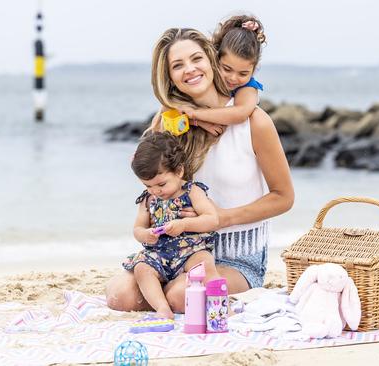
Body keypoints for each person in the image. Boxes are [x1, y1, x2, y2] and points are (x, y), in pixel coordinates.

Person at [106, 27, 294, 313]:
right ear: (169, 77)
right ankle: (171, 288)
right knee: (120, 296)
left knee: (183, 295)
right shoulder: (170, 123)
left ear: (211, 59)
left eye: (196, 59)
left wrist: (220, 218)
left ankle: (177, 293)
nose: (190, 70)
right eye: (177, 65)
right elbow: (150, 179)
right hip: (174, 250)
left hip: (236, 256)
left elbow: (284, 197)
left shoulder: (254, 122)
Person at [125, 131, 221, 319]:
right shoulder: (148, 199)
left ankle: (219, 302)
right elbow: (137, 228)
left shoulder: (192, 191)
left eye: (161, 184)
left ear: (179, 171)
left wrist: (184, 224)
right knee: (141, 268)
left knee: (205, 263)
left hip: (191, 250)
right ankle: (162, 307)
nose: (155, 191)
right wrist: (146, 235)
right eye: (148, 185)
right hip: (159, 253)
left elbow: (212, 219)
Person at [179, 15, 267, 136]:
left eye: (243, 73)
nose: (233, 78)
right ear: (216, 58)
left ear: (254, 70)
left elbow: (240, 113)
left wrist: (195, 114)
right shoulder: (206, 74)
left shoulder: (248, 87)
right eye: (227, 69)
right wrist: (200, 122)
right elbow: (173, 103)